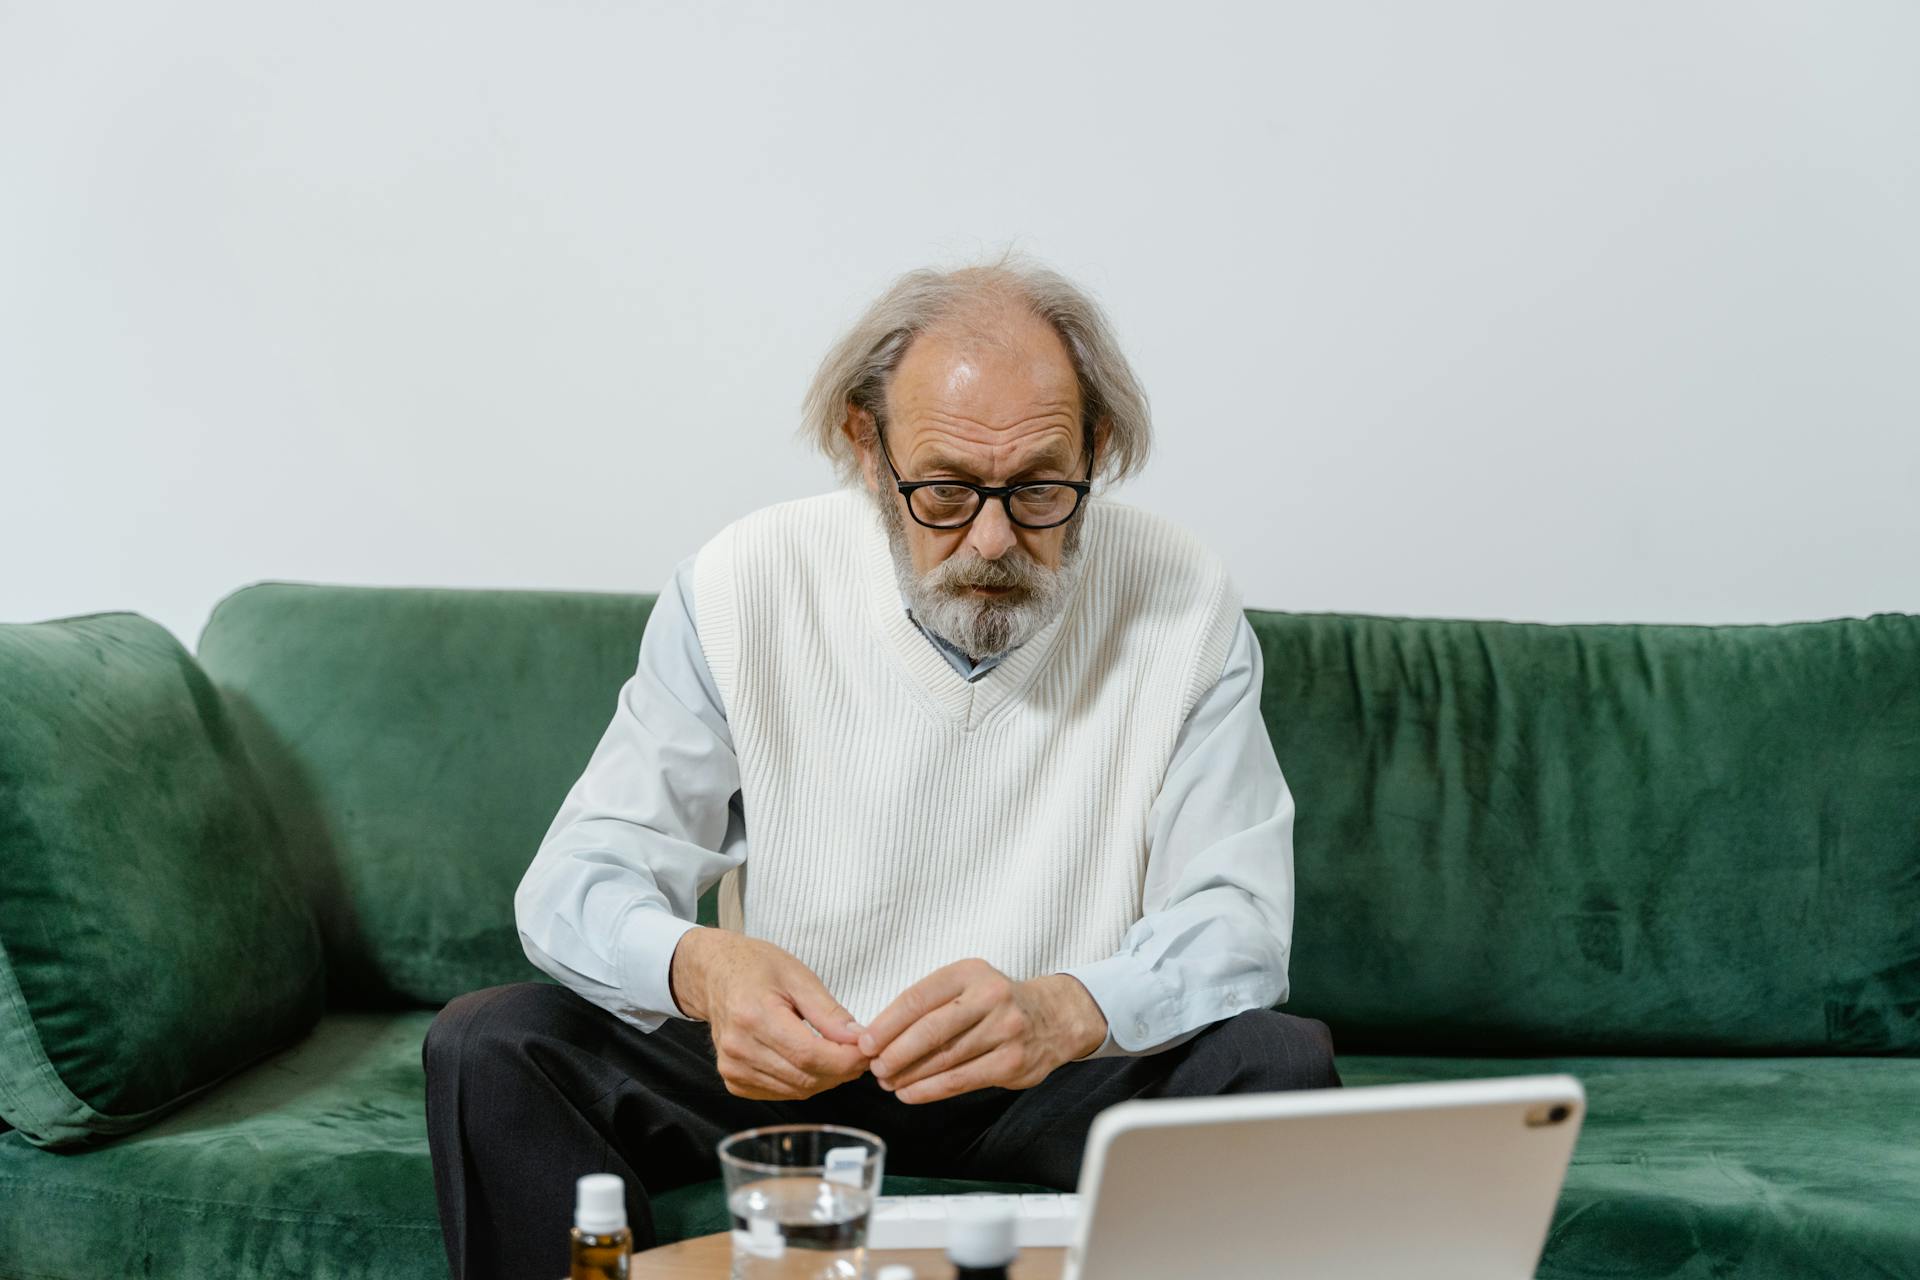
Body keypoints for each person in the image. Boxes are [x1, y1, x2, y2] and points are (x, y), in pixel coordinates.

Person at [422, 251, 1340, 1280]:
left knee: (1277, 1058)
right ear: (867, 445)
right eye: (944, 490)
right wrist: (704, 970)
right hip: (793, 1081)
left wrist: (1065, 1008)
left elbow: (1239, 917)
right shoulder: (742, 584)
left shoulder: (1183, 596)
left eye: (1041, 488)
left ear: (1101, 447)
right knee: (492, 1045)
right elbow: (577, 879)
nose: (992, 538)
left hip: (1057, 1073)